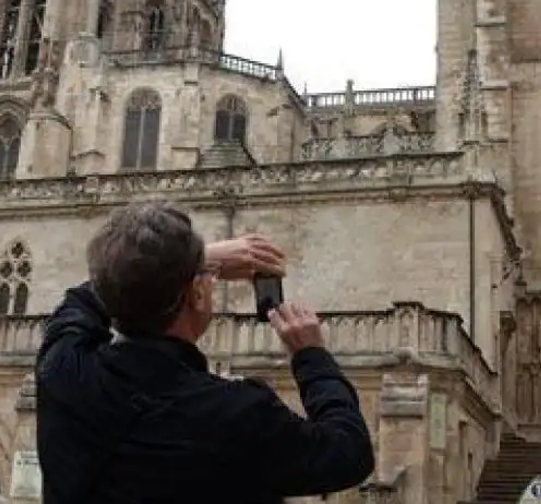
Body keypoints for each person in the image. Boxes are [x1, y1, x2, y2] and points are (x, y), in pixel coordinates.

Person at [36, 200, 375, 504]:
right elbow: (347, 453)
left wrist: (189, 262)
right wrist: (312, 356)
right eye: (205, 279)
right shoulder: (235, 412)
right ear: (197, 293)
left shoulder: (64, 372)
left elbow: (84, 298)